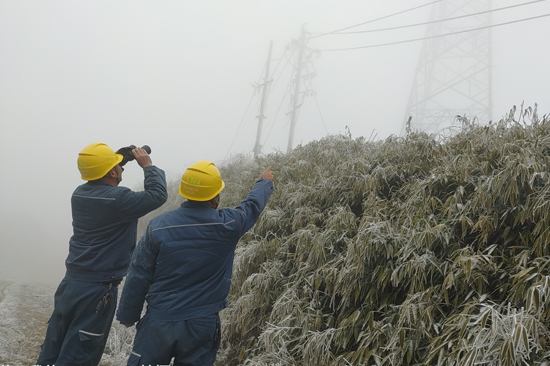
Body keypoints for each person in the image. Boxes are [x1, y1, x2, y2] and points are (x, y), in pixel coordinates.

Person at [116, 160, 274, 366]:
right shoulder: (229, 224)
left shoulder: (158, 227)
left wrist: (129, 314)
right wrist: (264, 182)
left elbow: (139, 274)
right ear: (215, 195)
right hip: (202, 324)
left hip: (159, 322)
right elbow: (252, 206)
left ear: (185, 192)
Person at [36, 142, 168, 366]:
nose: (121, 170)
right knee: (79, 355)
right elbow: (157, 195)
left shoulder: (79, 194)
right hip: (97, 291)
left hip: (71, 284)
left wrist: (119, 159)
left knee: (54, 346)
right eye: (118, 167)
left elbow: (103, 177)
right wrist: (147, 166)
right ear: (112, 171)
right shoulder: (119, 199)